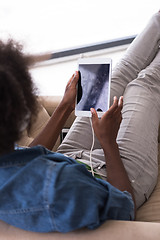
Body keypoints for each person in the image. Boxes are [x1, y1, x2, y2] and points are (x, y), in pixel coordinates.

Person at [0, 10, 159, 233]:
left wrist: (65, 107)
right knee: (144, 84)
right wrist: (107, 141)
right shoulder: (61, 190)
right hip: (115, 173)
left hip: (65, 157)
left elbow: (25, 160)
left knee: (116, 75)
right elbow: (125, 208)